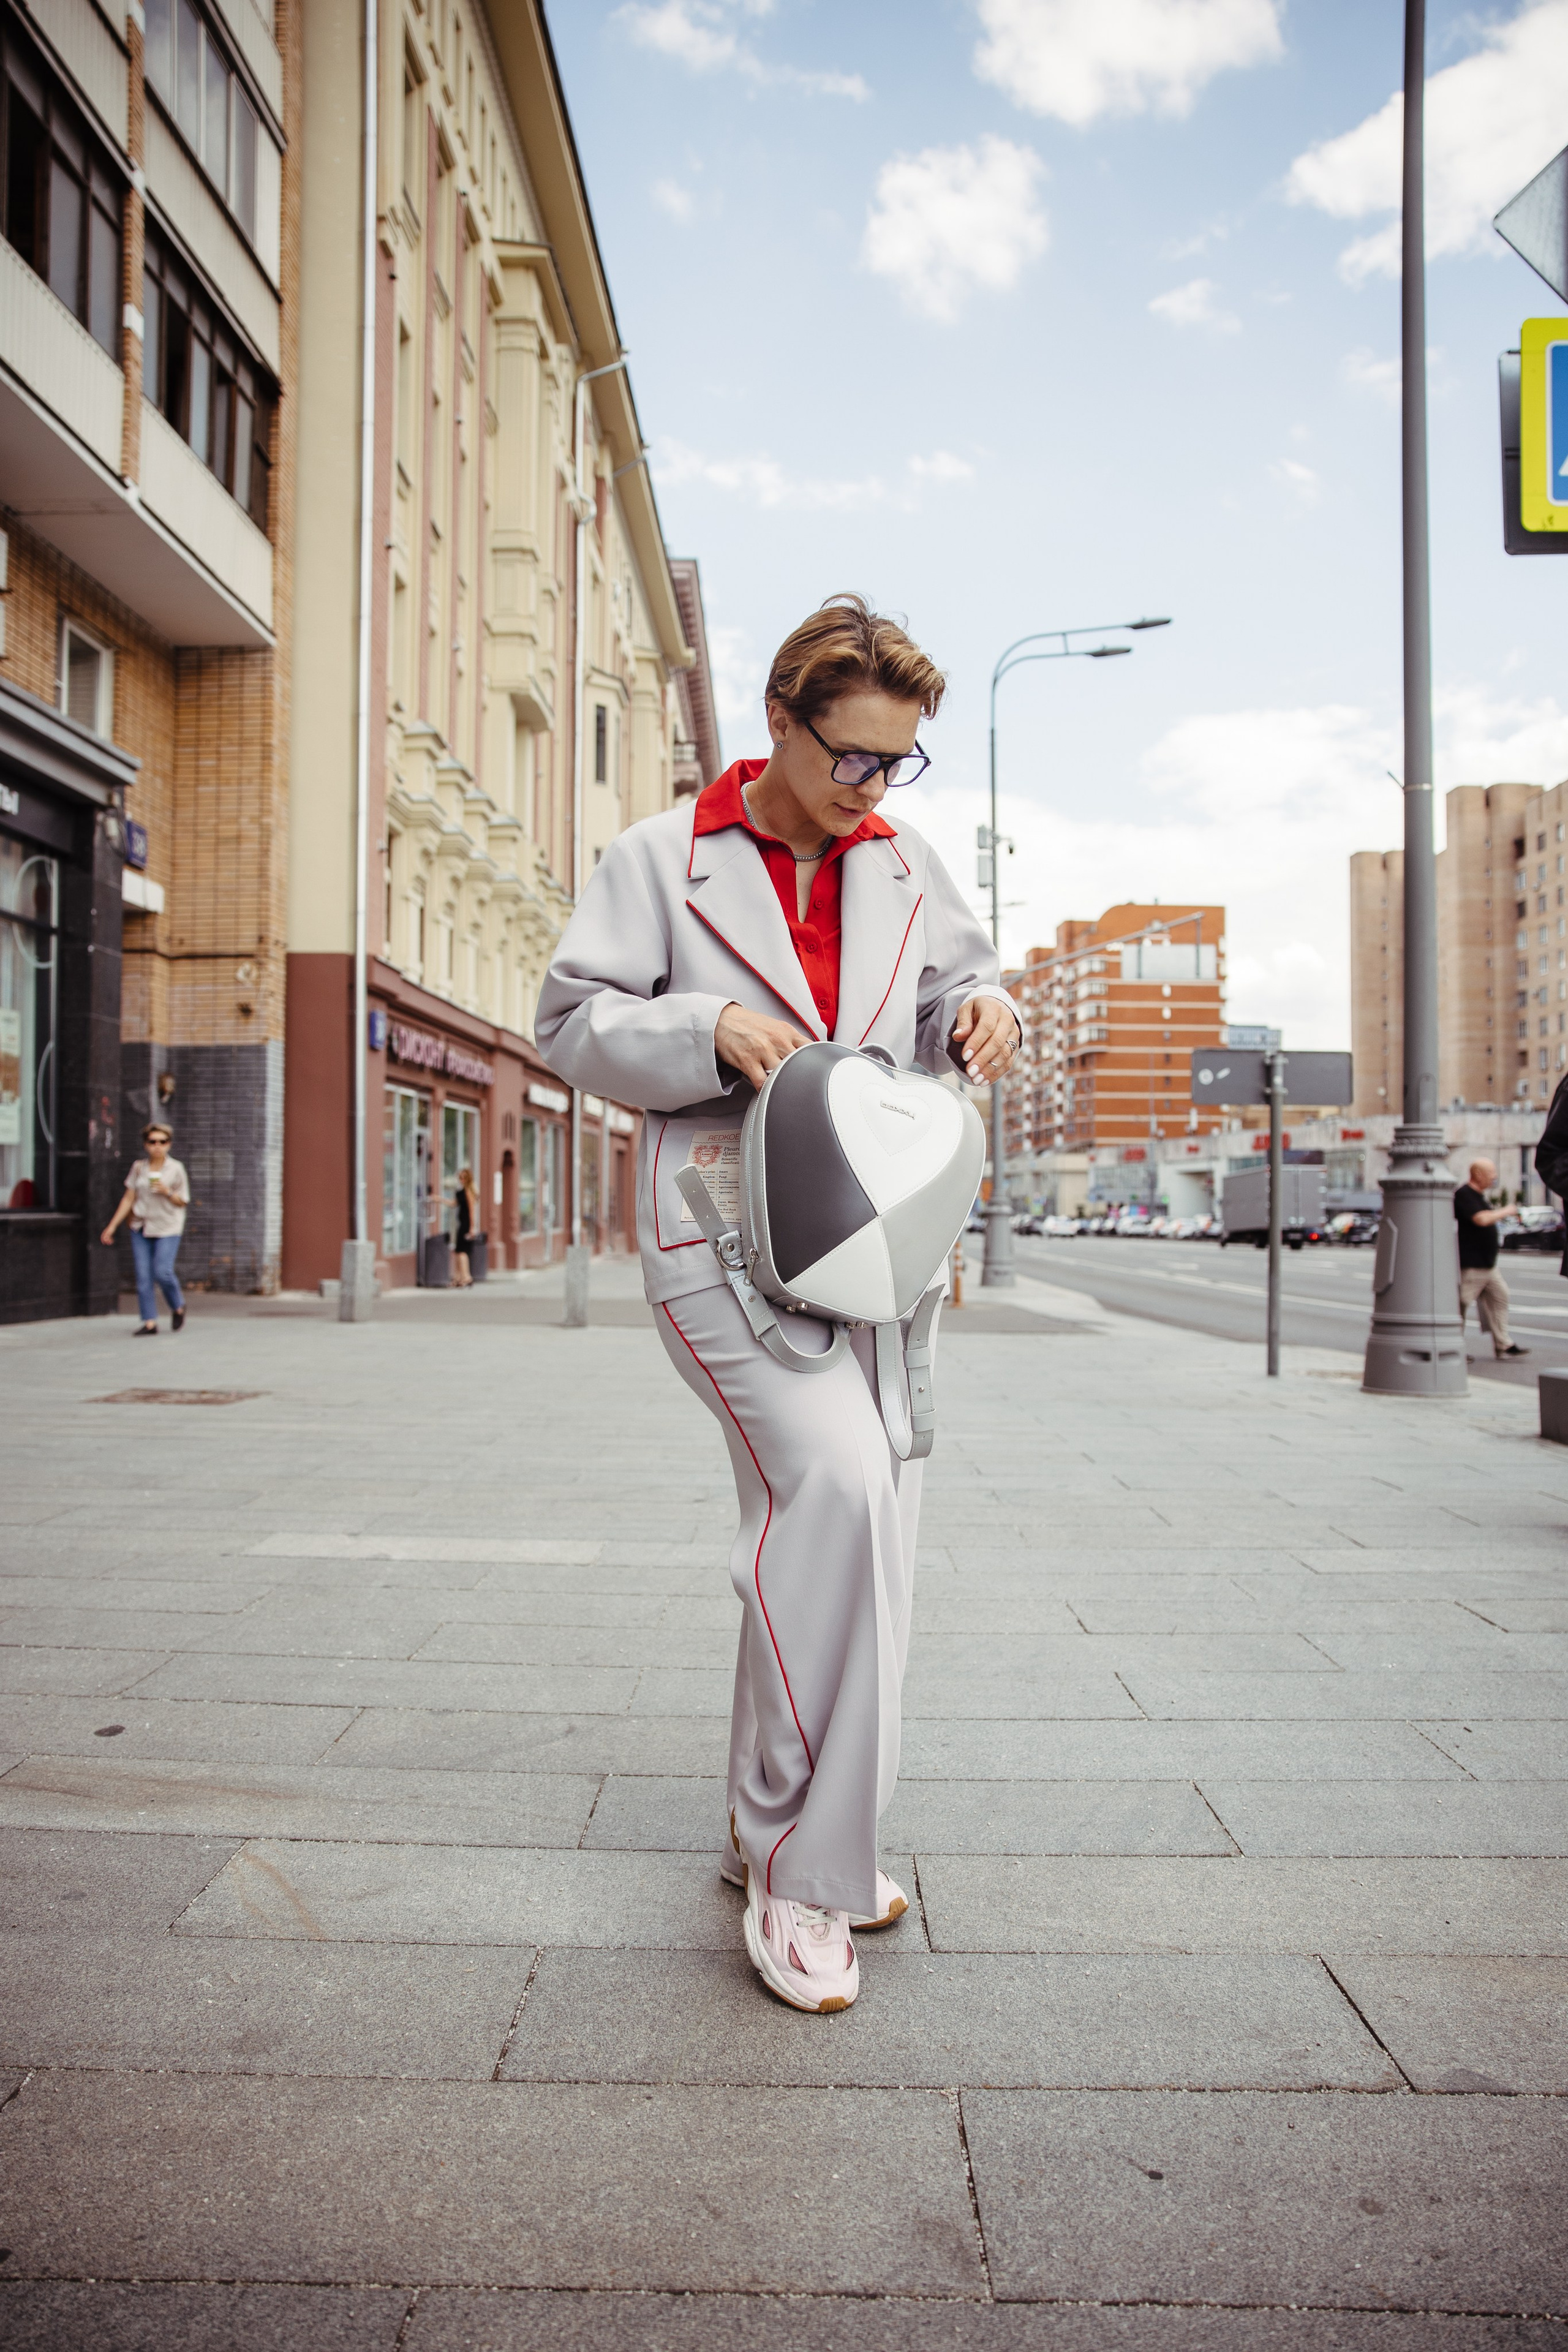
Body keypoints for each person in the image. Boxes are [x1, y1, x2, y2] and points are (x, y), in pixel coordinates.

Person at [537, 594, 1020, 2014]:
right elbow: (568, 1022)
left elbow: (961, 980)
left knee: (860, 1527)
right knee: (840, 1487)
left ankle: (776, 1817)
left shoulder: (901, 857)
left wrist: (982, 1010)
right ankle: (807, 1878)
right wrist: (704, 1027)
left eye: (894, 762)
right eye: (849, 756)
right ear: (779, 722)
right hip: (720, 1225)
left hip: (874, 1231)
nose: (868, 788)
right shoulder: (661, 858)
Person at [101, 1121, 190, 1335]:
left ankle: (178, 1305)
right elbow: (128, 1198)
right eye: (153, 1142)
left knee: (163, 1271)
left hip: (168, 1226)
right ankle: (149, 1322)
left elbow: (183, 1201)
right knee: (143, 1276)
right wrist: (112, 1227)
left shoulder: (176, 1168)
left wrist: (167, 1191)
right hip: (141, 1226)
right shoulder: (139, 1167)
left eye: (163, 1142)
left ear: (169, 1144)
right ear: (145, 1144)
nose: (157, 1146)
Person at [1453, 1156, 1527, 1359]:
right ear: (1477, 1174)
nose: (1494, 1177)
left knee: (1500, 1297)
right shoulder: (1464, 1194)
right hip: (1472, 1264)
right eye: (1491, 1173)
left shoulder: (1480, 1196)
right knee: (1460, 1305)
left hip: (1488, 1265)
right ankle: (1453, 1346)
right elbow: (1481, 1219)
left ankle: (1504, 1344)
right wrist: (1507, 1210)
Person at [452, 1164, 480, 1288]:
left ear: (468, 1179)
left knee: (462, 1252)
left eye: (464, 1177)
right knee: (459, 1252)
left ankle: (466, 1277)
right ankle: (459, 1278)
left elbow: (472, 1211)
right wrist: (439, 1200)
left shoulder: (469, 1192)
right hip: (462, 1224)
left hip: (466, 1225)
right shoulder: (461, 1192)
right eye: (460, 1177)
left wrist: (472, 1227)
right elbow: (454, 1204)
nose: (462, 1180)